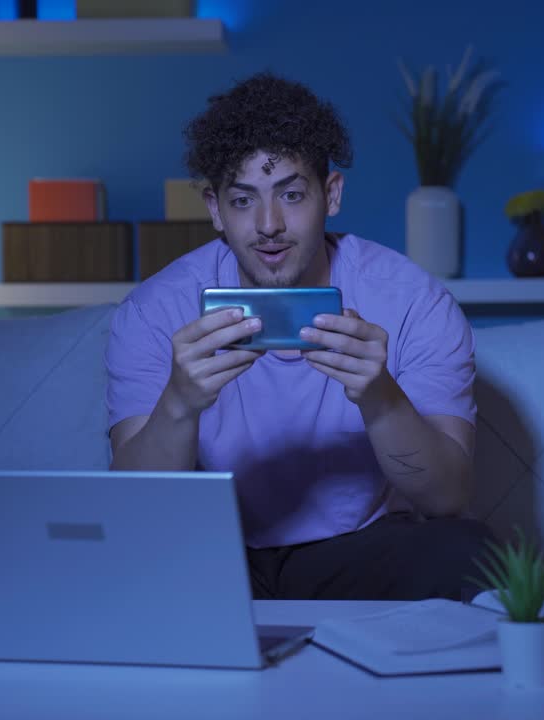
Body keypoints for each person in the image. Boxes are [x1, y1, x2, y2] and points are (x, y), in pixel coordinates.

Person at [105, 71, 492, 600]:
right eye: (243, 200)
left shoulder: (414, 301)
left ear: (330, 194)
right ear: (214, 208)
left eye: (291, 194)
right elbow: (132, 511)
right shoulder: (153, 310)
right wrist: (178, 402)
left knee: (471, 554)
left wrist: (380, 398)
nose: (269, 225)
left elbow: (446, 498)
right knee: (106, 572)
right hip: (212, 552)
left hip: (361, 547)